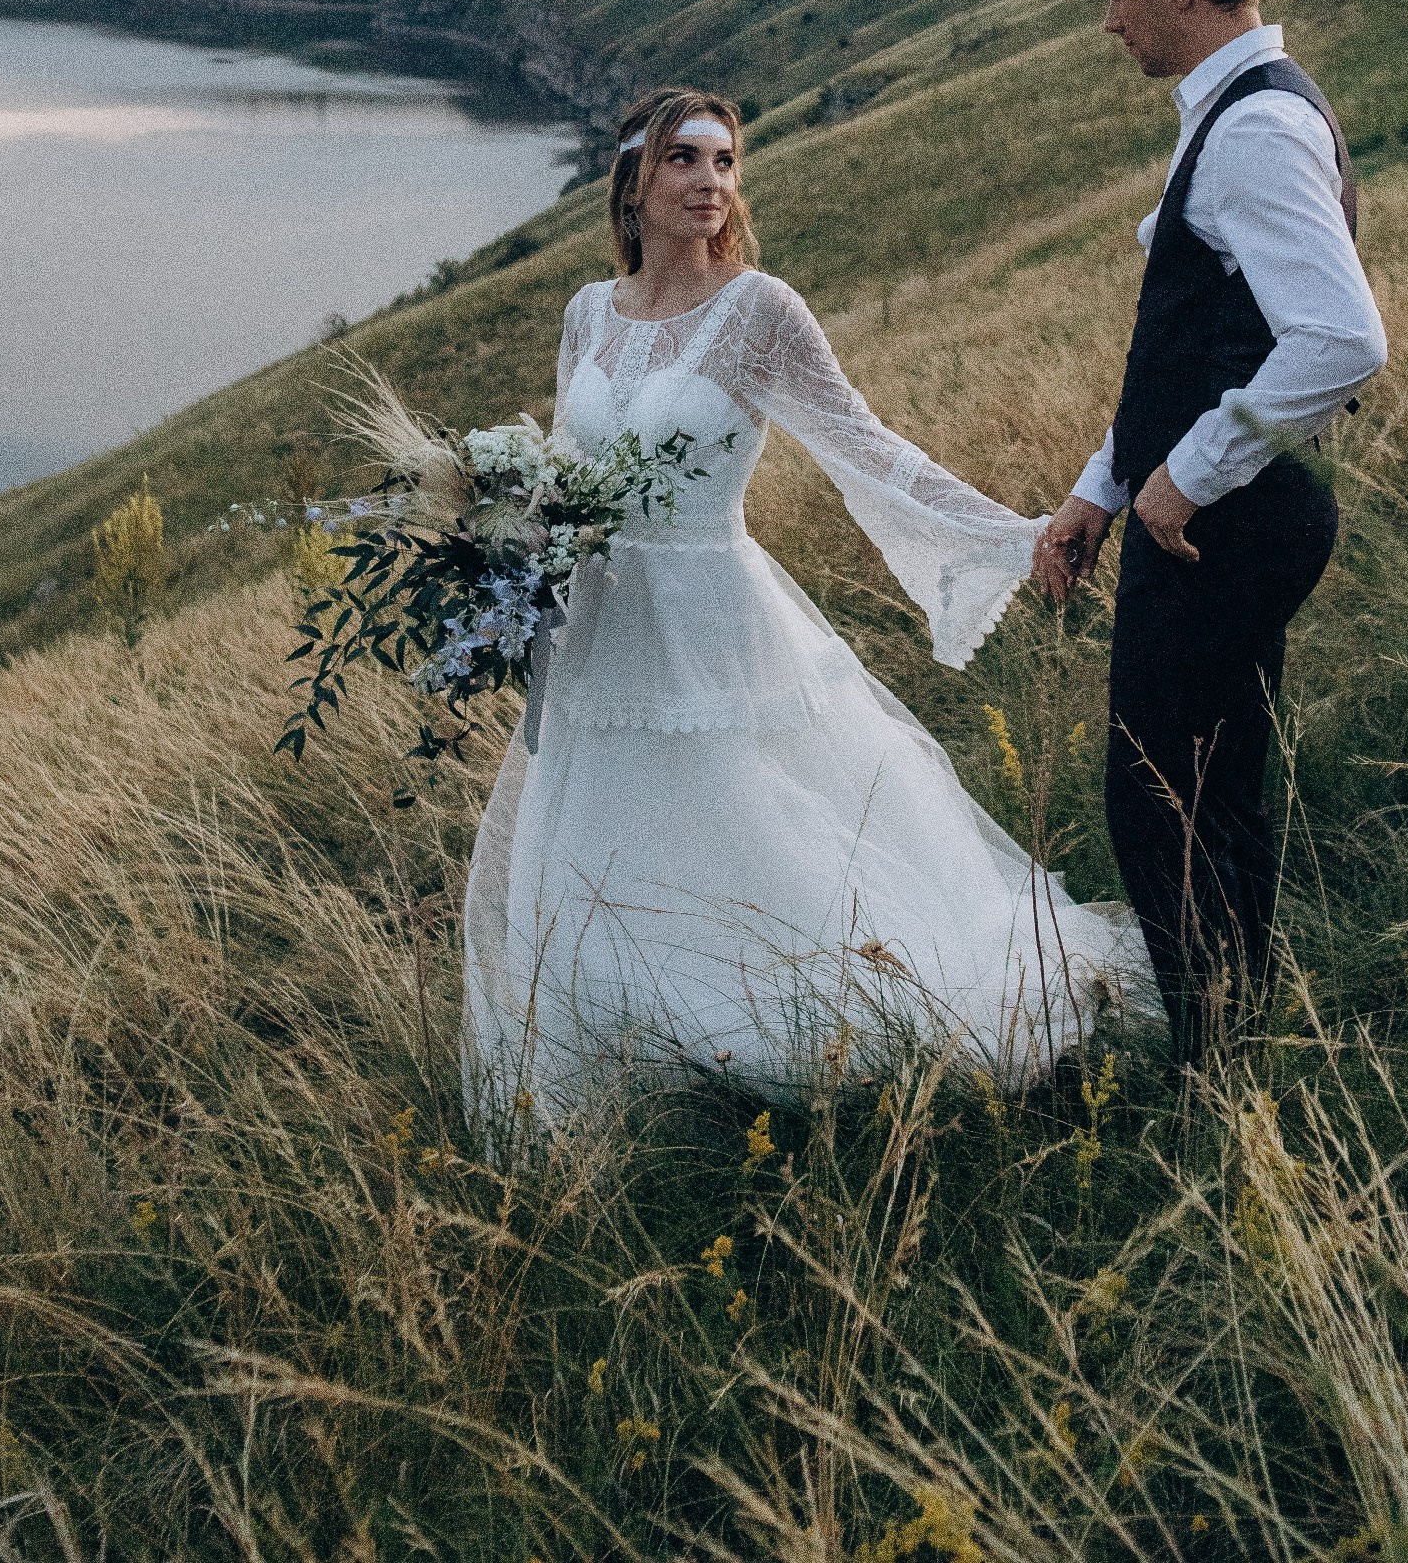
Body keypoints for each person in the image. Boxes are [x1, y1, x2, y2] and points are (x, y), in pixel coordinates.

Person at [464, 86, 1152, 1118]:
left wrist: (1015, 537)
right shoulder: (585, 315)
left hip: (712, 622)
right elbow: (567, 470)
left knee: (745, 831)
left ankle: (790, 1046)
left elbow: (865, 449)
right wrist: (500, 549)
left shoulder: (757, 311)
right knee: (603, 843)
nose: (707, 182)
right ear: (630, 185)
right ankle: (637, 1082)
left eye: (724, 162)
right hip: (602, 633)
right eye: (682, 159)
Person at [1037, 0, 1386, 1058]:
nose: (1109, 18)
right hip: (1229, 511)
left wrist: (1182, 476)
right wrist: (1100, 489)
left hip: (1224, 521)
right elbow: (1195, 347)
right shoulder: (1243, 109)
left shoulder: (1254, 128)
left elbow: (1340, 337)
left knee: (1158, 797)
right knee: (1211, 785)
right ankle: (1234, 1037)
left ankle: (1210, 1061)